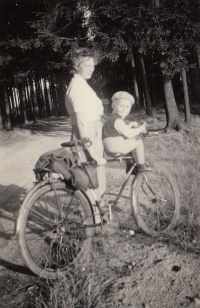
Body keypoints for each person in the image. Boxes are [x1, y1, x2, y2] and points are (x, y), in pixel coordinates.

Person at [65, 48, 106, 219]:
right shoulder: (78, 88)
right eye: (87, 65)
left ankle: (96, 220)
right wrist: (92, 152)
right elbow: (81, 122)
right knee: (92, 183)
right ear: (76, 65)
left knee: (95, 183)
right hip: (87, 138)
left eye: (93, 65)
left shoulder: (81, 84)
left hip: (92, 136)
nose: (91, 68)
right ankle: (93, 225)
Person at [103, 91, 152, 172]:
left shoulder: (112, 117)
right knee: (138, 141)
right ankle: (141, 165)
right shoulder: (117, 120)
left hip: (109, 145)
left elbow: (122, 129)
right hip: (115, 146)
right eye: (121, 106)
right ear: (113, 106)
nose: (124, 109)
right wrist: (140, 129)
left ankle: (130, 166)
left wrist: (129, 125)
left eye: (127, 107)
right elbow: (128, 133)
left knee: (129, 143)